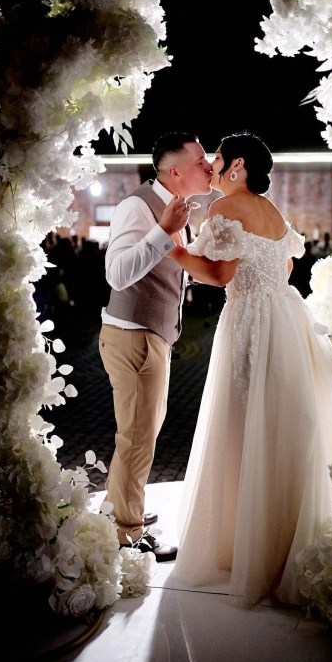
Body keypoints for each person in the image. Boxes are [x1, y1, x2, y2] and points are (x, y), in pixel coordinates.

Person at [167, 132, 332, 604]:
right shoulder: (271, 210)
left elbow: (219, 274)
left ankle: (244, 544)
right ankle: (284, 543)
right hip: (288, 317)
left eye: (217, 158)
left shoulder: (226, 208)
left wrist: (173, 248)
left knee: (245, 425)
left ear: (238, 166)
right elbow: (286, 269)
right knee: (283, 423)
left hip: (250, 319)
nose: (212, 165)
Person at [99, 132, 213, 561]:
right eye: (200, 161)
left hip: (150, 336)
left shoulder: (177, 208)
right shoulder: (137, 206)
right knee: (136, 438)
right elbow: (117, 274)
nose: (209, 166)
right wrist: (164, 230)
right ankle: (125, 533)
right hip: (133, 336)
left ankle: (125, 509)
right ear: (175, 171)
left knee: (141, 435)